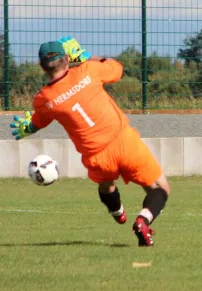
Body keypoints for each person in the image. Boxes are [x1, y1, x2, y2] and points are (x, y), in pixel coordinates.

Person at [10, 37, 169, 247]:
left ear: (42, 67)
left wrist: (28, 127)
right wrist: (85, 57)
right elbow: (116, 69)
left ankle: (117, 212)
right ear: (67, 58)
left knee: (106, 186)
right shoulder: (88, 70)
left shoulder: (44, 99)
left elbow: (38, 121)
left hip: (97, 156)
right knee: (160, 187)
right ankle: (143, 220)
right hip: (124, 141)